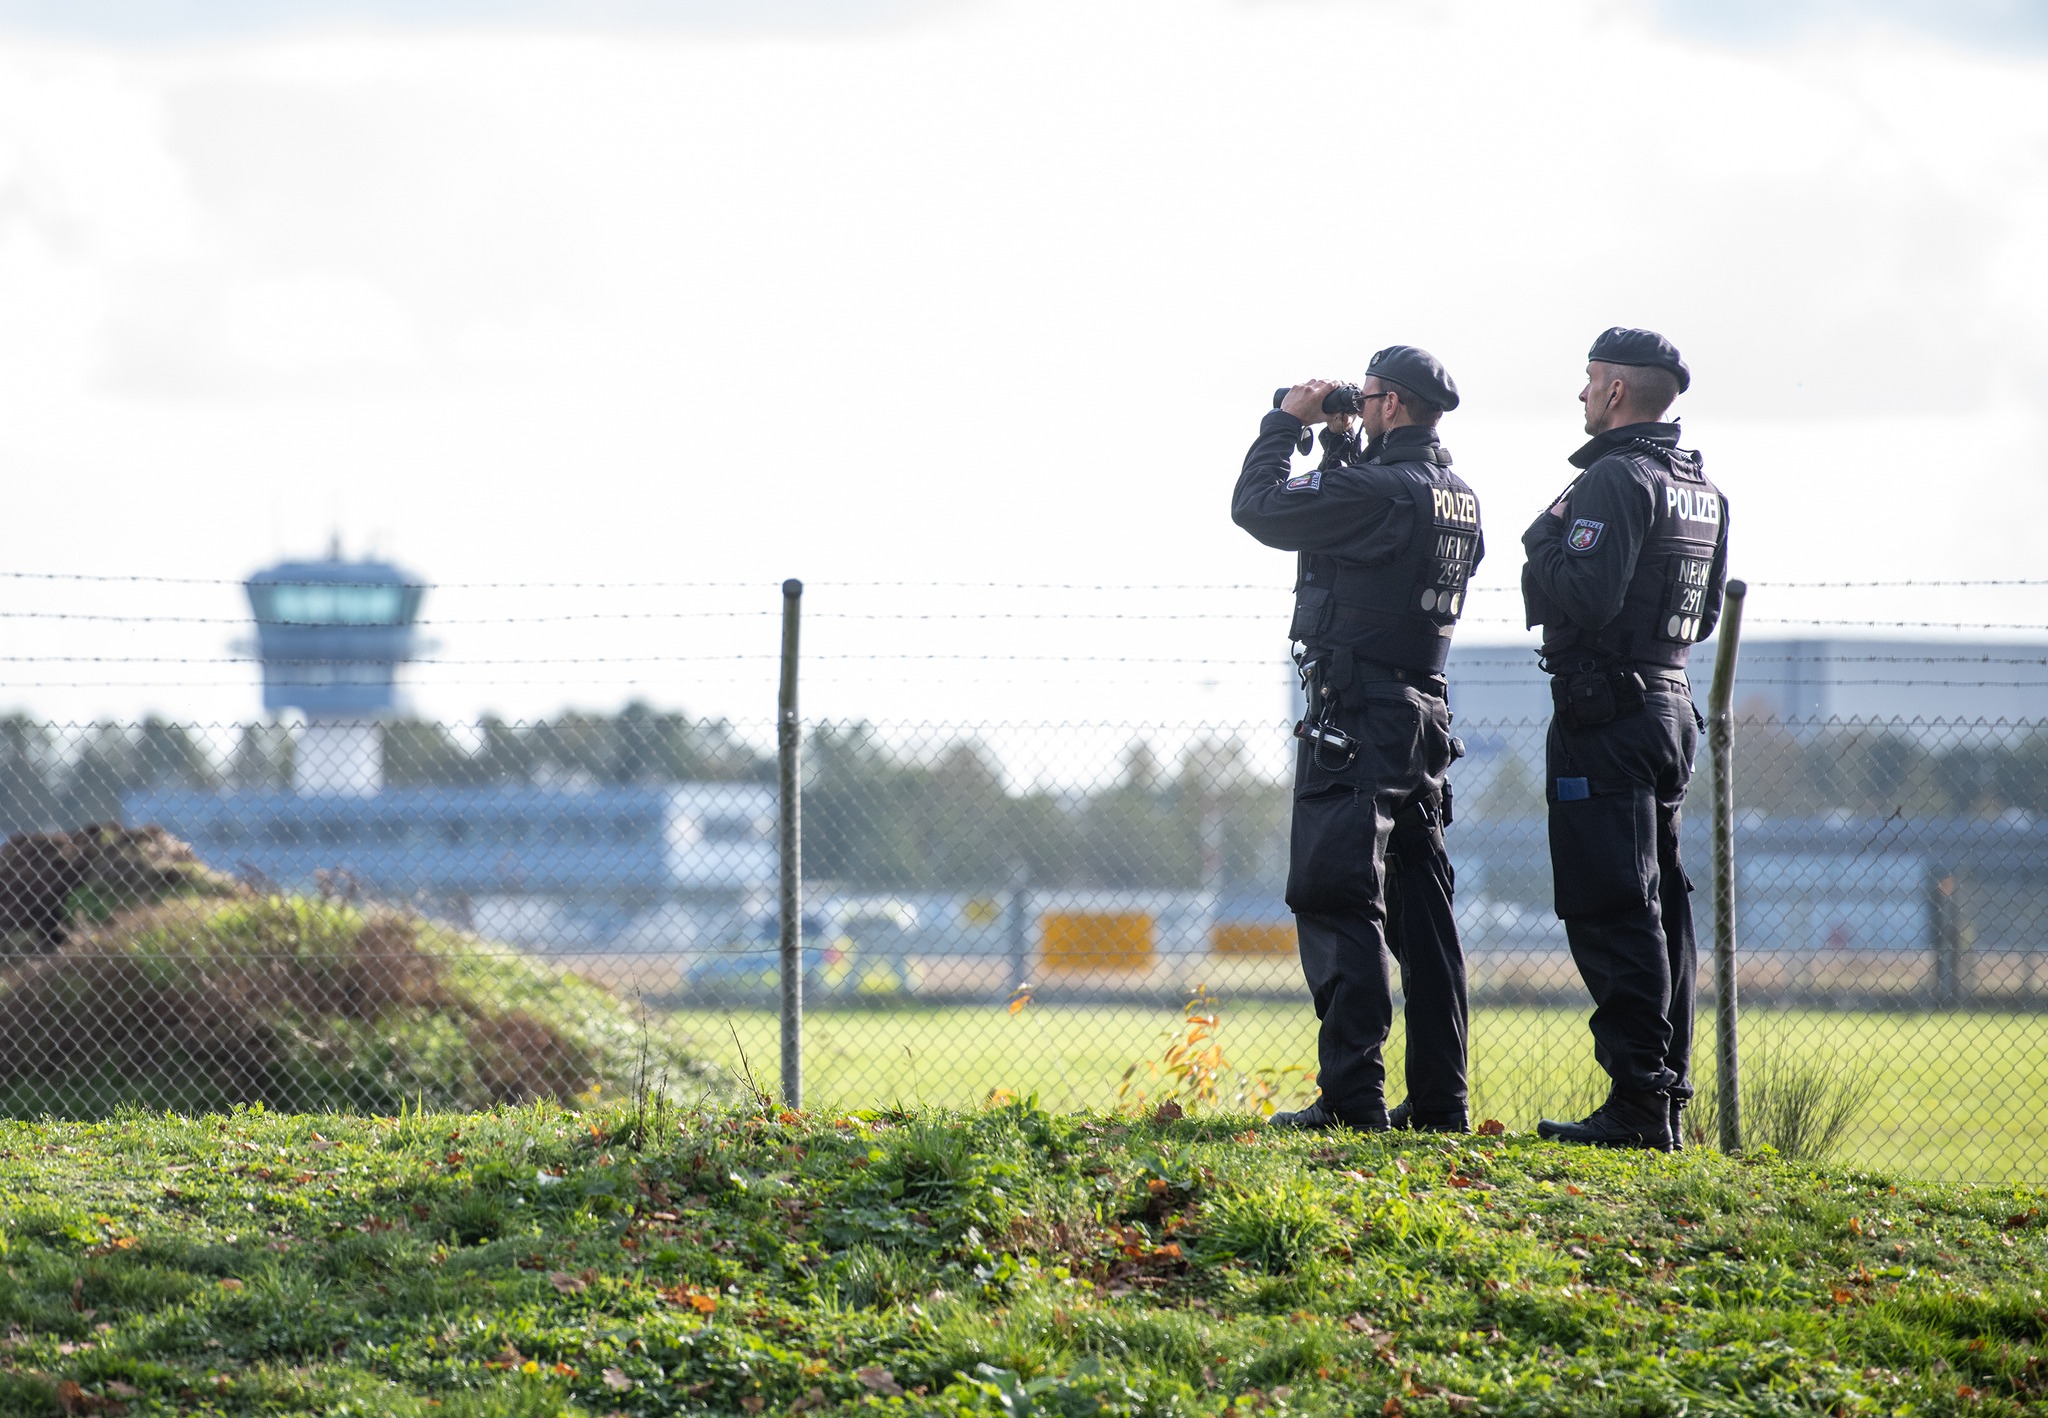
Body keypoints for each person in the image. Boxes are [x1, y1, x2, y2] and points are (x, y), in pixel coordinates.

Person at [1231, 346, 1482, 1133]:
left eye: (1367, 398)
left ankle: (1352, 1097)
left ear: (1394, 406)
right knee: (1422, 910)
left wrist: (1287, 423)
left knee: (1338, 894)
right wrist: (1342, 438)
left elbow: (1260, 507)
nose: (1361, 406)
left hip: (1357, 717)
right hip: (1423, 717)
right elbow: (1358, 546)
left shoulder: (1376, 491)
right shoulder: (1455, 495)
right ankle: (1441, 1101)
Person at [1522, 327, 1729, 1151]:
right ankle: (1662, 1098)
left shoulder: (1615, 478)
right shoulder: (1702, 488)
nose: (1579, 396)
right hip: (1670, 706)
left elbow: (1588, 594)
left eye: (1588, 382)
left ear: (1614, 392)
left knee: (1613, 905)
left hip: (1605, 717)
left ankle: (1639, 1103)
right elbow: (1705, 616)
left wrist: (1541, 544)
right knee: (1661, 905)